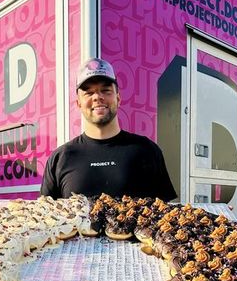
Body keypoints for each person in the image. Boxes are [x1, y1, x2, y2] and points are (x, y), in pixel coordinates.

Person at [40, 57, 177, 201]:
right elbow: (46, 213)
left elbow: (166, 211)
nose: (97, 97)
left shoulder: (147, 150)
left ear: (118, 98)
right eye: (88, 93)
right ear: (78, 103)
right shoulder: (60, 158)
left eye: (106, 90)